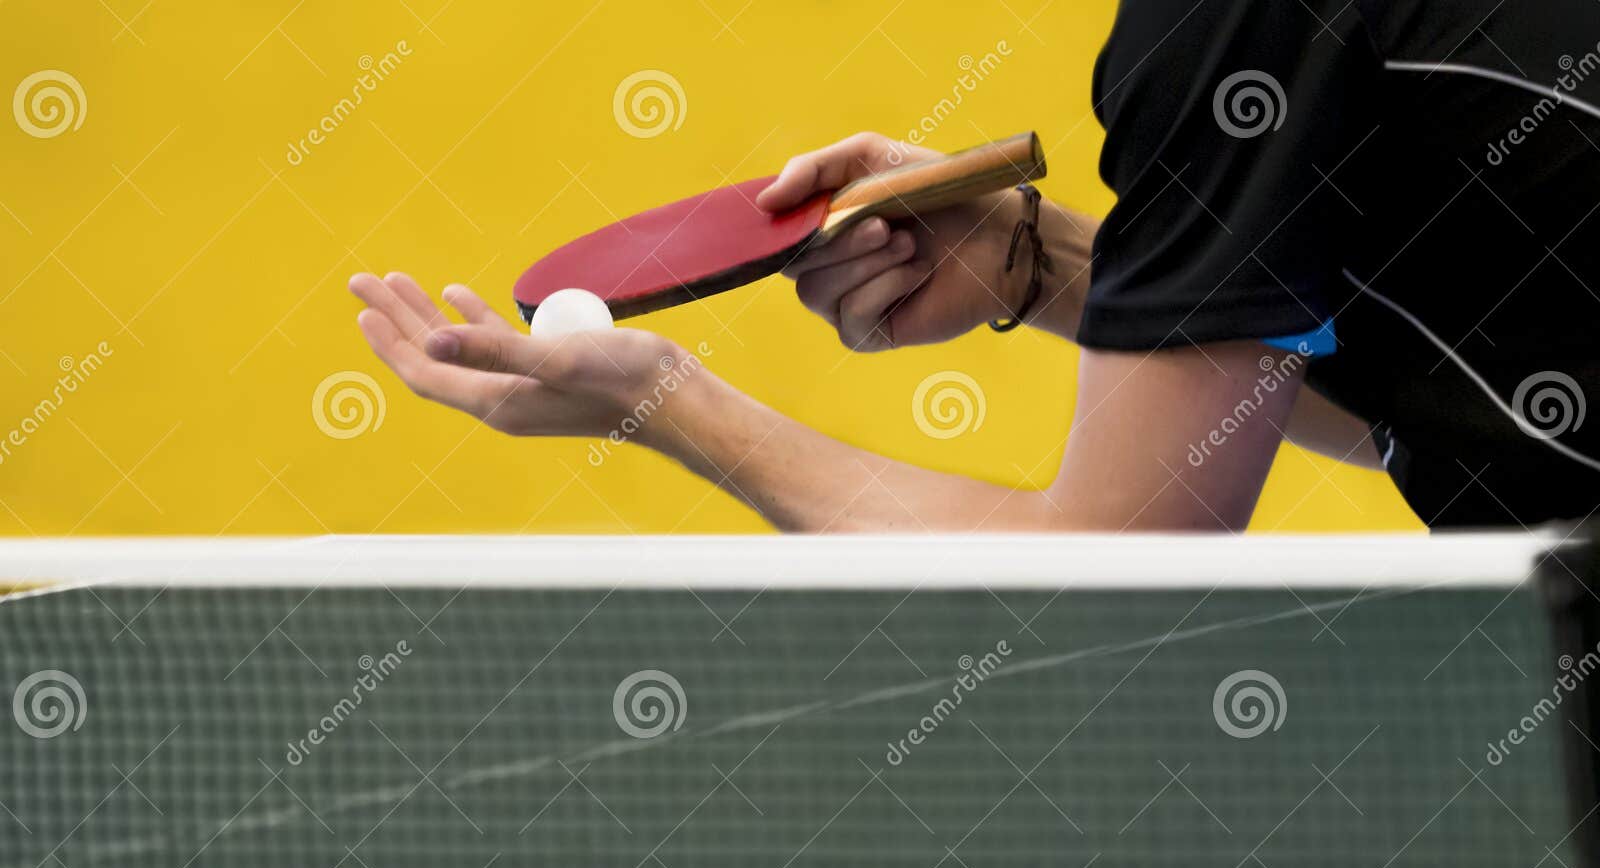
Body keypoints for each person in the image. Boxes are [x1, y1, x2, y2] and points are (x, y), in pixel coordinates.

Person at [353, 0, 1600, 532]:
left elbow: (1114, 588)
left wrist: (663, 403)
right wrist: (1037, 264)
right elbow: (1480, 403)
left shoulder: (1234, 31)